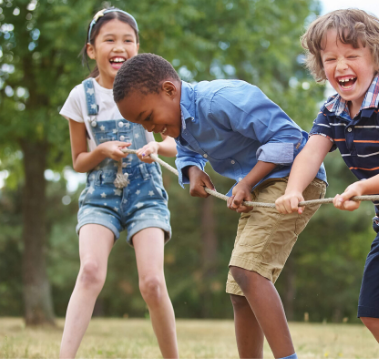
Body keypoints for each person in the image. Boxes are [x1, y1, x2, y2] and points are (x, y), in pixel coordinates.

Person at [113, 53, 327, 359]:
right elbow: (187, 149)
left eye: (148, 117)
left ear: (169, 90)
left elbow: (288, 136)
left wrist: (247, 182)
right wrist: (192, 171)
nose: (152, 128)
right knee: (240, 291)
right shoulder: (182, 122)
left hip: (293, 179)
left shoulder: (220, 100)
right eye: (142, 124)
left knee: (247, 272)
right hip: (260, 186)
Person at [275, 9, 379, 357]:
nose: (341, 65)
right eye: (330, 58)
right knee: (372, 314)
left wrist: (361, 187)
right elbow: (309, 154)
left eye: (351, 55)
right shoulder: (332, 111)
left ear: (377, 56)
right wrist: (293, 190)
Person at [59, 8, 178, 359]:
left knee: (153, 283)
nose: (119, 46)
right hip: (100, 195)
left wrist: (156, 145)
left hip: (147, 194)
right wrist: (102, 151)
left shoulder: (156, 89)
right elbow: (79, 160)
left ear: (138, 48)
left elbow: (176, 143)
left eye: (127, 40)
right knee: (91, 271)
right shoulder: (81, 97)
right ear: (92, 49)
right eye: (109, 39)